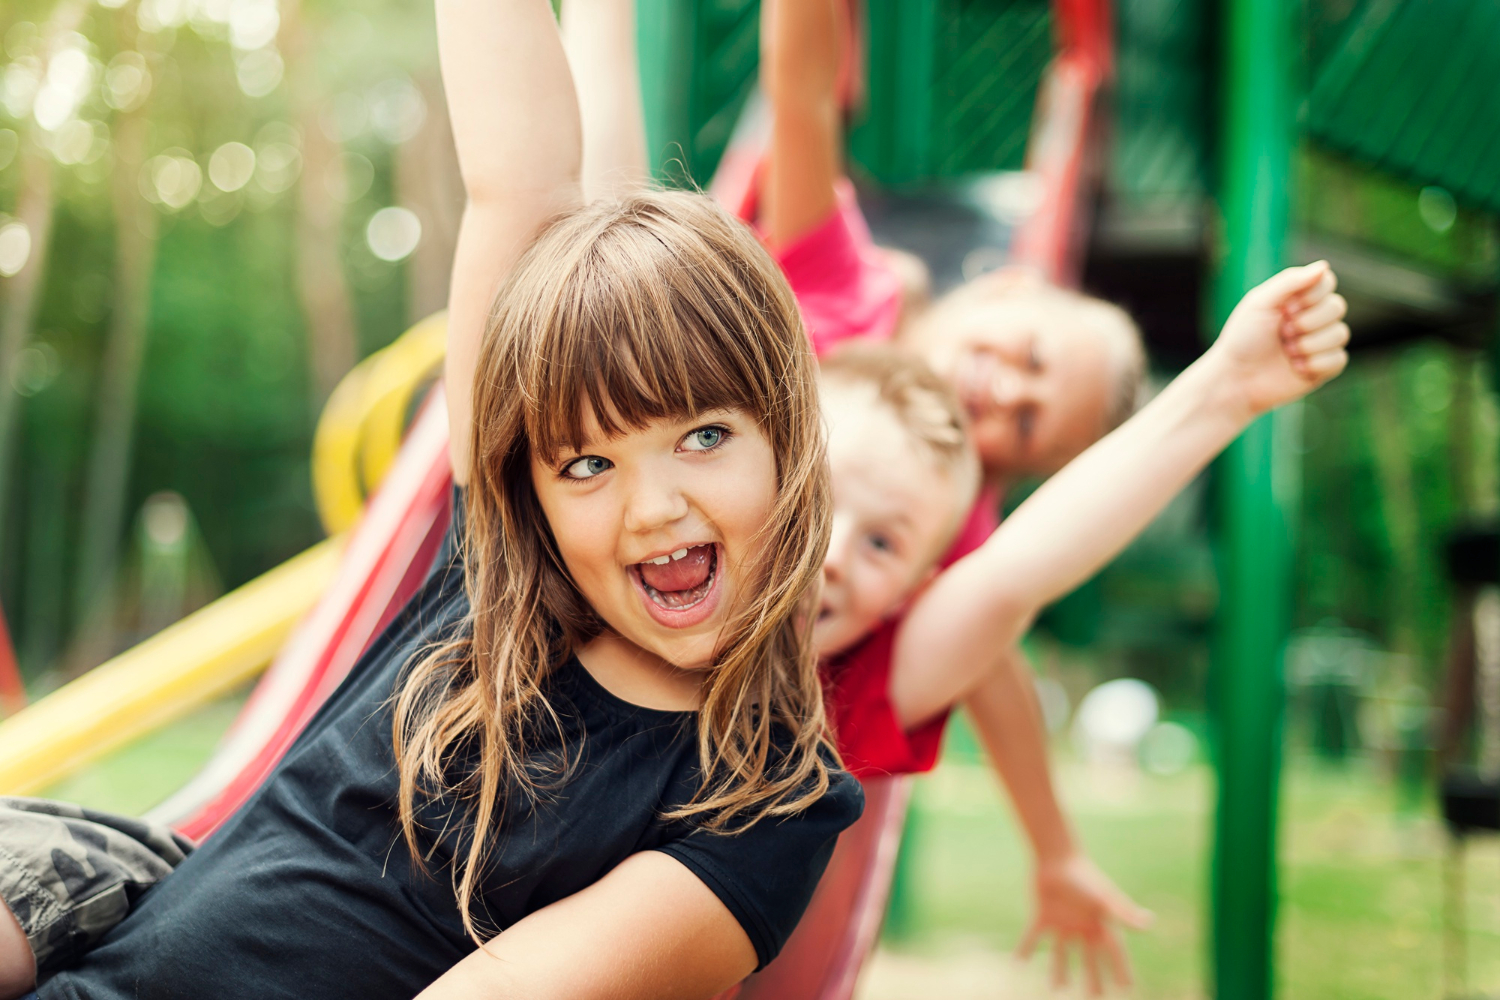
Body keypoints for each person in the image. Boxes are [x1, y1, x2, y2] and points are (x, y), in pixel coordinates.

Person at [0, 0, 867, 997]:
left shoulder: (765, 804)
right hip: (108, 936)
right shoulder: (498, 589)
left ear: (788, 442)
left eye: (703, 437)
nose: (653, 507)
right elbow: (520, 177)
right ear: (530, 484)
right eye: (588, 464)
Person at [565, 0, 1350, 993]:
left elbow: (1010, 608)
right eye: (1026, 361)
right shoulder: (834, 305)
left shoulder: (922, 579)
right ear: (1007, 292)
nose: (1003, 392)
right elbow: (792, 101)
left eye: (1027, 422)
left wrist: (1052, 842)